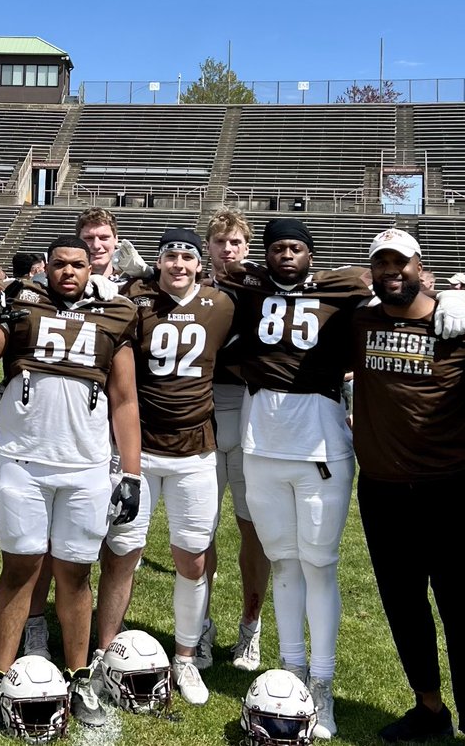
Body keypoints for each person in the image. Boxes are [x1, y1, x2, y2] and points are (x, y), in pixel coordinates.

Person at [0, 236, 140, 732]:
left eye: (77, 264)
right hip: (24, 461)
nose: (69, 271)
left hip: (85, 466)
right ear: (47, 268)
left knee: (75, 572)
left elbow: (125, 400)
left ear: (91, 268)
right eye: (59, 264)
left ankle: (79, 676)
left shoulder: (115, 316)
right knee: (21, 567)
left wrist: (133, 472)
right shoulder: (18, 310)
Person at [216, 218, 372, 740]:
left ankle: (322, 684)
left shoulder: (338, 290)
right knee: (283, 563)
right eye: (278, 248)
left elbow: (371, 281)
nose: (287, 255)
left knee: (319, 565)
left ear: (311, 253)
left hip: (320, 448)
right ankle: (291, 671)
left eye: (297, 247)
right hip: (262, 445)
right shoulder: (249, 290)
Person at [351, 229, 465, 745]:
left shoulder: (464, 329)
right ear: (371, 271)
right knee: (403, 604)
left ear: (420, 265)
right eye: (381, 264)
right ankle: (429, 709)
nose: (392, 271)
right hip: (384, 491)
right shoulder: (362, 319)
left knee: (463, 610)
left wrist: (463, 296)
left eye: (401, 262)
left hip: (451, 490)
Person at [97, 228, 235, 706]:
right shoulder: (137, 300)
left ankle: (185, 656)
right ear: (158, 263)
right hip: (138, 448)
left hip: (196, 451)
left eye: (187, 256)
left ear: (200, 265)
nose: (179, 263)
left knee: (192, 558)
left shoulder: (222, 302)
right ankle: (102, 651)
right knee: (122, 551)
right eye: (170, 256)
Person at [203, 207, 270, 672]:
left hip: (249, 415)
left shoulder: (264, 289)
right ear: (208, 247)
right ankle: (199, 627)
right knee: (198, 531)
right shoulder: (190, 286)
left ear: (247, 248)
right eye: (221, 242)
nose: (228, 250)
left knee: (254, 532)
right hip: (202, 415)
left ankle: (251, 627)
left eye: (236, 243)